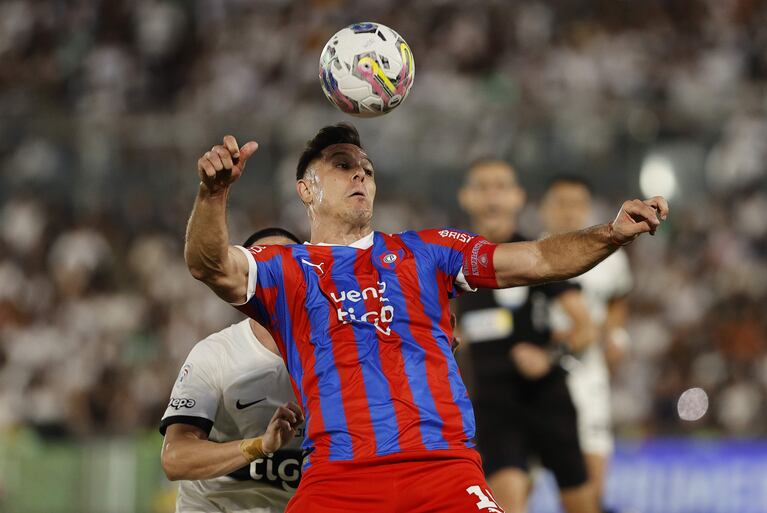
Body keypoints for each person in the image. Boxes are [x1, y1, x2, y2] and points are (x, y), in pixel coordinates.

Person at [184, 123, 667, 513]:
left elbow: (538, 259)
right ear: (305, 189)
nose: (360, 176)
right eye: (342, 165)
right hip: (339, 478)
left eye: (367, 170)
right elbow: (210, 265)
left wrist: (611, 233)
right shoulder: (286, 269)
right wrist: (213, 194)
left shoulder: (426, 252)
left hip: (444, 471)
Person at [455, 160, 599, 513]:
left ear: (518, 197)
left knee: (581, 504)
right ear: (466, 197)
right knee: (507, 502)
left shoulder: (538, 257)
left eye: (501, 186)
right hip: (493, 406)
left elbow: (586, 327)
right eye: (483, 186)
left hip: (548, 400)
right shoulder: (449, 264)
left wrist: (550, 354)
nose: (492, 196)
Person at [160, 227, 306, 513]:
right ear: (246, 282)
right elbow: (175, 458)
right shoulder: (216, 354)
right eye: (265, 267)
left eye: (288, 264)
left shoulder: (336, 356)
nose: (277, 277)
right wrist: (260, 446)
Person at [541, 176, 634, 513]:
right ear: (544, 209)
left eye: (576, 204)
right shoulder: (531, 253)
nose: (568, 212)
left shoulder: (609, 256)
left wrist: (616, 334)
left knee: (591, 489)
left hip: (588, 375)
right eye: (560, 203)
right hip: (542, 375)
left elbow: (618, 297)